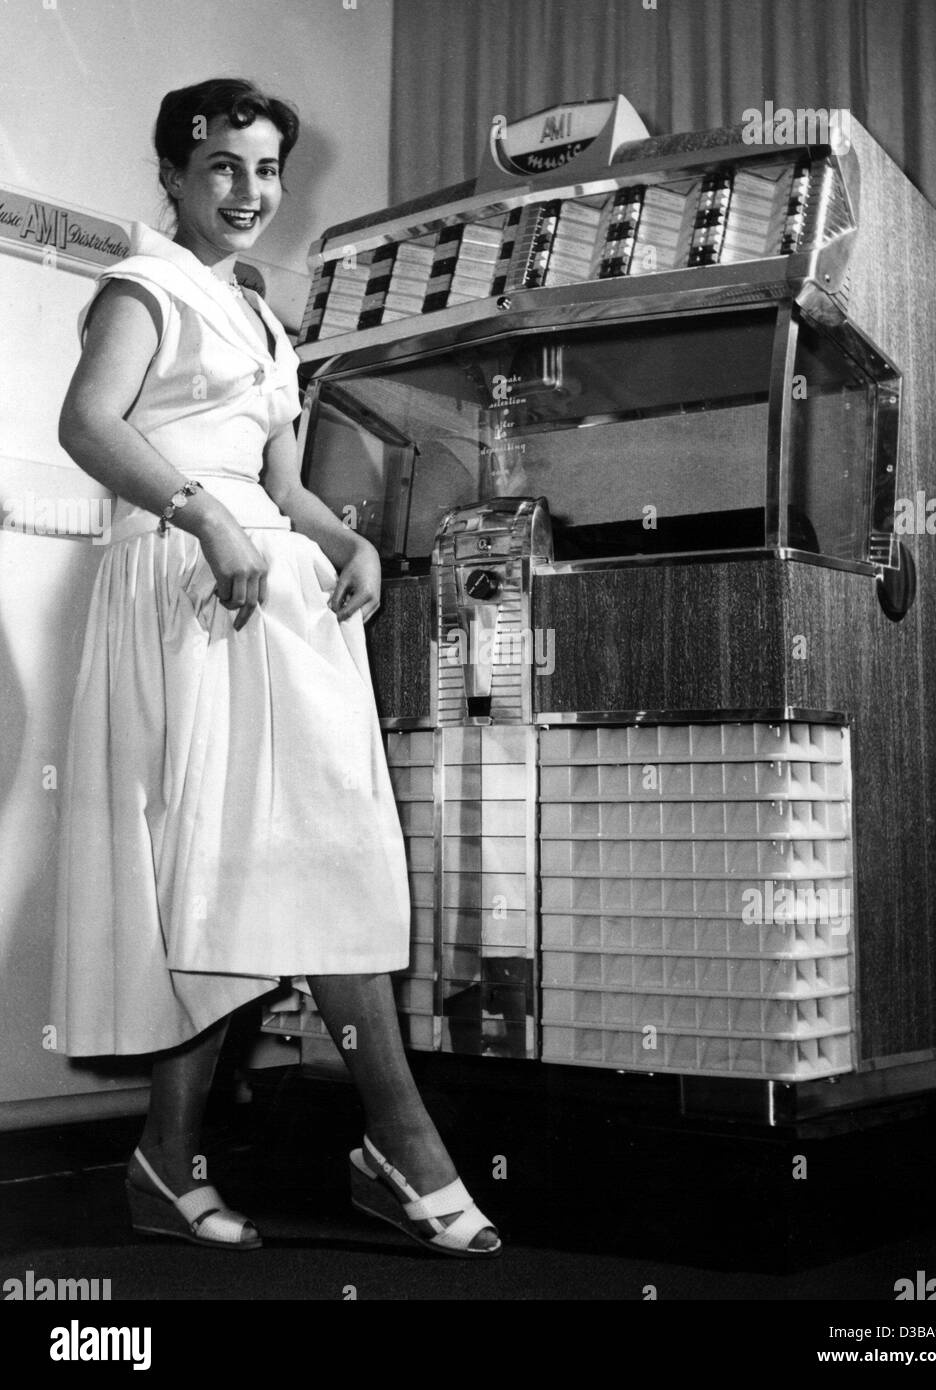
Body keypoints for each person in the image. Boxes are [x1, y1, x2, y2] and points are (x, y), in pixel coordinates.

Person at [51, 77, 500, 1259]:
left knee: (296, 861)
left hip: (275, 589)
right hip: (186, 582)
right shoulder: (143, 288)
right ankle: (403, 1145)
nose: (251, 192)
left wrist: (345, 538)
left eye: (266, 170)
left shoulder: (258, 317)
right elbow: (90, 426)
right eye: (223, 169)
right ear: (172, 176)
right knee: (236, 870)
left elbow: (288, 483)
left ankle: (171, 1154)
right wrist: (208, 519)